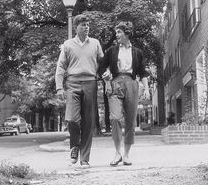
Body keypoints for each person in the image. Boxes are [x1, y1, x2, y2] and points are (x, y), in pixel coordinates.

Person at [55, 14, 103, 168]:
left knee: (89, 122)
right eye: (83, 25)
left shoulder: (95, 43)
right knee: (72, 119)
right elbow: (61, 66)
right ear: (76, 27)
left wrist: (106, 73)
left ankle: (85, 158)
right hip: (72, 83)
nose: (86, 27)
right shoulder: (67, 45)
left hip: (90, 82)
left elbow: (102, 63)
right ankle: (75, 145)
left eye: (88, 24)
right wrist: (59, 87)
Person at [101, 21, 150, 166]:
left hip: (132, 83)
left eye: (119, 32)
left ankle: (127, 154)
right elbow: (102, 68)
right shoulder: (111, 51)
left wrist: (146, 89)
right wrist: (106, 80)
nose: (116, 35)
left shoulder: (137, 52)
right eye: (116, 32)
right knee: (115, 118)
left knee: (130, 120)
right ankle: (117, 153)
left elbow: (143, 73)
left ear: (127, 33)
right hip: (115, 83)